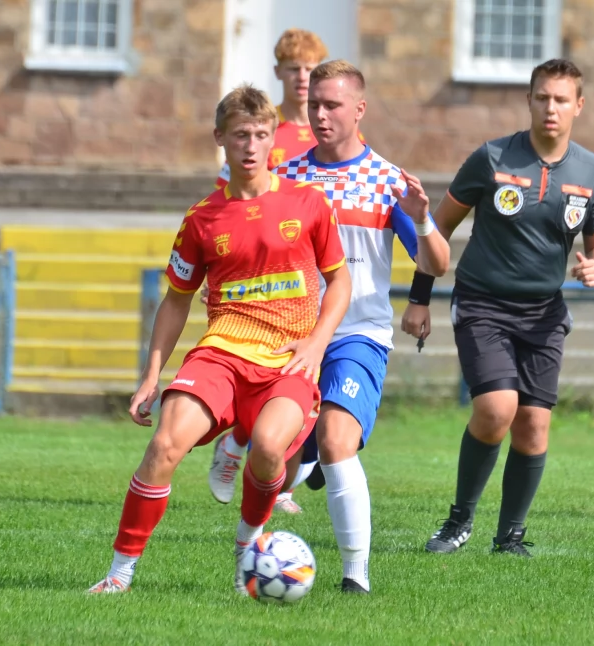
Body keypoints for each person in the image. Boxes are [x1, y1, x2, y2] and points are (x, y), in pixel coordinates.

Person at [87, 85, 351, 594]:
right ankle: (119, 575)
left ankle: (249, 544)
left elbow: (339, 282)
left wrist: (317, 343)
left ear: (273, 137)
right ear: (220, 140)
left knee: (271, 450)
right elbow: (177, 299)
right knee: (163, 444)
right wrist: (150, 376)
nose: (250, 146)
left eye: (259, 135)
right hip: (223, 352)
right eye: (239, 136)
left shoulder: (309, 203)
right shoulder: (202, 218)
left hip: (287, 360)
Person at [209, 60, 450, 594]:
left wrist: (424, 218)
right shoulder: (287, 177)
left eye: (333, 105)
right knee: (280, 460)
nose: (320, 114)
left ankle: (354, 578)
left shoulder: (387, 182)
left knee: (339, 440)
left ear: (359, 110)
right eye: (314, 104)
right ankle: (246, 446)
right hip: (286, 335)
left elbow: (437, 263)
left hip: (356, 335)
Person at [401, 58, 594, 558]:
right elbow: (437, 228)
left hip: (544, 314)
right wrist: (418, 299)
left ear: (578, 106)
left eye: (562, 99)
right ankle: (458, 522)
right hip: (483, 304)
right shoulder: (492, 157)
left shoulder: (591, 171)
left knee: (534, 424)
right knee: (497, 409)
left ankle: (510, 537)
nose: (551, 108)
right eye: (542, 97)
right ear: (530, 100)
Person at [214, 29, 328, 190]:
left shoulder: (335, 128)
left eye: (309, 69)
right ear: (277, 71)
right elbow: (226, 191)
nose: (302, 77)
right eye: (294, 69)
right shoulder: (259, 126)